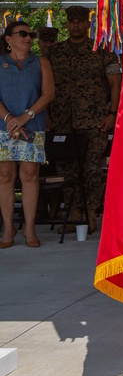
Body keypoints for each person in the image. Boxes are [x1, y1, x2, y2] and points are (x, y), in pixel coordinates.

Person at [46, 5, 121, 234]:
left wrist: (112, 113)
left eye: (80, 21)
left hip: (95, 121)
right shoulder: (54, 53)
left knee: (91, 171)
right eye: (72, 21)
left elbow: (115, 83)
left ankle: (90, 214)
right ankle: (73, 214)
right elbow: (45, 87)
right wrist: (47, 117)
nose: (76, 25)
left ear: (88, 24)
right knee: (67, 171)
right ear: (66, 24)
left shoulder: (102, 50)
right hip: (62, 122)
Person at [0, 21, 54, 248]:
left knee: (30, 174)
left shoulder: (41, 62)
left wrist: (25, 117)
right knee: (4, 175)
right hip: (3, 127)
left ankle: (29, 227)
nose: (28, 38)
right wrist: (10, 119)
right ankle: (8, 227)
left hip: (32, 126)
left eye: (30, 34)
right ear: (8, 39)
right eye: (22, 34)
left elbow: (48, 94)